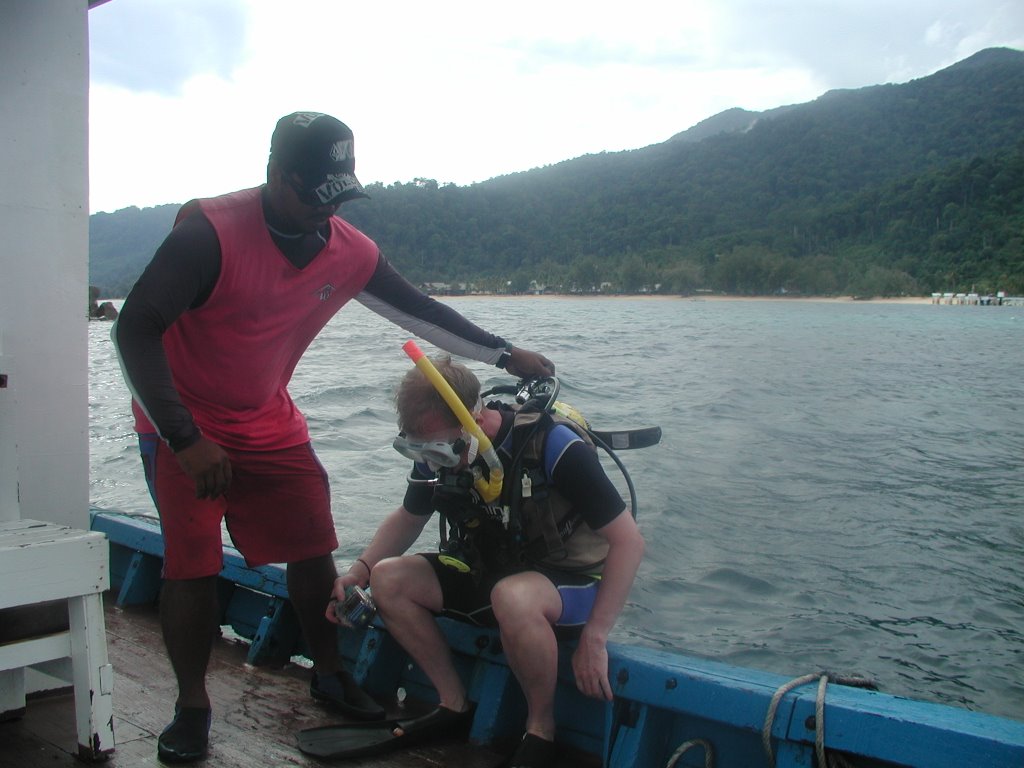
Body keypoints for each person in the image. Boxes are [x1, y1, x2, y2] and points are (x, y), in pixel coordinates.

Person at [112, 111, 555, 764]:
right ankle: (192, 707)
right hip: (183, 418)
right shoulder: (209, 235)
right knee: (191, 562)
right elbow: (134, 329)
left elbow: (417, 311)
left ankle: (329, 672)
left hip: (266, 414)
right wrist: (183, 438)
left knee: (312, 539)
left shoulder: (347, 250)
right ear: (276, 175)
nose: (324, 217)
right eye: (313, 197)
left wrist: (502, 352)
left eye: (337, 199)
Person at [327, 357, 644, 768]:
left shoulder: (553, 445)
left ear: (473, 418)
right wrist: (360, 570)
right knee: (390, 579)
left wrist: (596, 637)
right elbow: (409, 517)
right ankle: (453, 704)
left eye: (442, 450)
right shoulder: (435, 454)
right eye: (422, 451)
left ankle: (540, 730)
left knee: (511, 596)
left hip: (568, 581)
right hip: (494, 575)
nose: (435, 462)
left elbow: (628, 542)